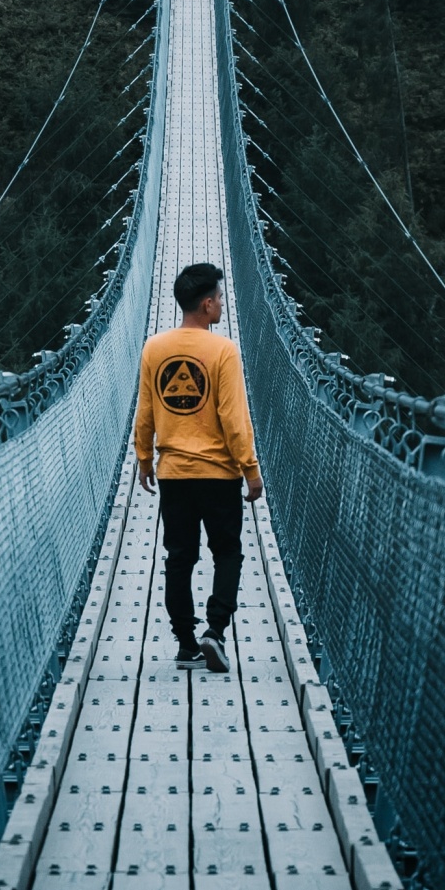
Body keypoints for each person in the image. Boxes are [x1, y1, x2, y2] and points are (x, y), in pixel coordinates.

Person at [134, 261, 264, 672]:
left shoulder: (154, 348)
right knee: (227, 552)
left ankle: (187, 643)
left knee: (179, 557)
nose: (223, 305)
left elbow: (146, 411)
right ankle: (215, 630)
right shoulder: (223, 351)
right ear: (207, 305)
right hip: (220, 475)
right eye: (220, 299)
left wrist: (143, 459)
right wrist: (251, 469)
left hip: (174, 474)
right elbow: (233, 416)